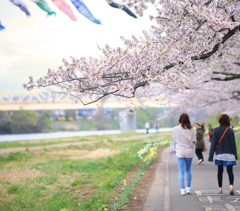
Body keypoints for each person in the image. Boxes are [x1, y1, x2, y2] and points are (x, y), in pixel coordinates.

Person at [208, 114, 238, 195]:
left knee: (220, 171)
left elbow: (213, 143)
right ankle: (231, 186)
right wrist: (235, 155)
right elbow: (233, 144)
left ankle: (220, 188)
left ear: (220, 121)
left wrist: (210, 156)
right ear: (228, 121)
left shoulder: (216, 130)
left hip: (220, 154)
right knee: (230, 171)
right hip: (230, 154)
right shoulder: (230, 130)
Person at [172, 113, 197, 195]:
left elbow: (174, 141)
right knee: (188, 170)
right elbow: (194, 141)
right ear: (188, 120)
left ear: (180, 120)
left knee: (181, 171)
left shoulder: (175, 129)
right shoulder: (191, 129)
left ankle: (182, 189)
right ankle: (188, 188)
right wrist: (191, 146)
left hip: (180, 152)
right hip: (189, 152)